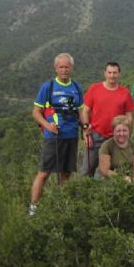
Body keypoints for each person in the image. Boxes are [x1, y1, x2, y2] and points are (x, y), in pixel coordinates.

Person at [29, 53, 84, 215]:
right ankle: (33, 208)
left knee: (65, 173)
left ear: (72, 68)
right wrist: (47, 125)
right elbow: (36, 112)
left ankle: (63, 207)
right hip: (53, 137)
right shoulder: (48, 87)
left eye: (67, 67)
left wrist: (85, 127)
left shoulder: (77, 87)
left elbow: (81, 111)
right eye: (61, 67)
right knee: (44, 172)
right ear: (56, 69)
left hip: (71, 135)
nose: (64, 70)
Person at [82, 62, 134, 177]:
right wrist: (86, 133)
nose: (112, 76)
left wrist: (128, 134)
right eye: (109, 72)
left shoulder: (125, 93)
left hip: (117, 137)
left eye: (115, 73)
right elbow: (85, 111)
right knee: (87, 170)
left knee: (115, 170)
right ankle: (84, 189)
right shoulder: (94, 88)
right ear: (105, 73)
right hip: (96, 135)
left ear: (119, 74)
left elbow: (129, 115)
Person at [98, 115, 134, 180]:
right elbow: (104, 171)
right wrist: (122, 178)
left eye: (124, 131)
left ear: (129, 131)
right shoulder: (107, 145)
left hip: (129, 178)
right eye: (118, 131)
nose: (121, 134)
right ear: (113, 131)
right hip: (110, 179)